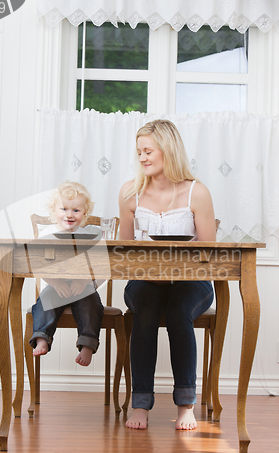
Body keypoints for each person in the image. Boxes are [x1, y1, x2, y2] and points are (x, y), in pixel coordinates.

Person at [118, 119, 216, 430]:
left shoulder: (196, 193)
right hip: (145, 280)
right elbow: (124, 252)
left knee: (177, 312)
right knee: (145, 309)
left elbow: (209, 255)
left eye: (149, 151)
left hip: (192, 281)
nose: (142, 158)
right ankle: (141, 405)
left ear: (168, 151)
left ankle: (186, 405)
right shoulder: (129, 194)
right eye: (139, 152)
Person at [29, 181, 104, 367]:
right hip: (56, 286)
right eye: (63, 209)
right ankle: (42, 337)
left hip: (83, 287)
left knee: (92, 304)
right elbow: (39, 266)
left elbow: (103, 267)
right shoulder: (47, 234)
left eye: (76, 210)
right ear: (53, 211)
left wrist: (86, 281)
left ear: (84, 213)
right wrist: (55, 283)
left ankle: (87, 344)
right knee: (45, 300)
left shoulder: (91, 236)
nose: (69, 214)